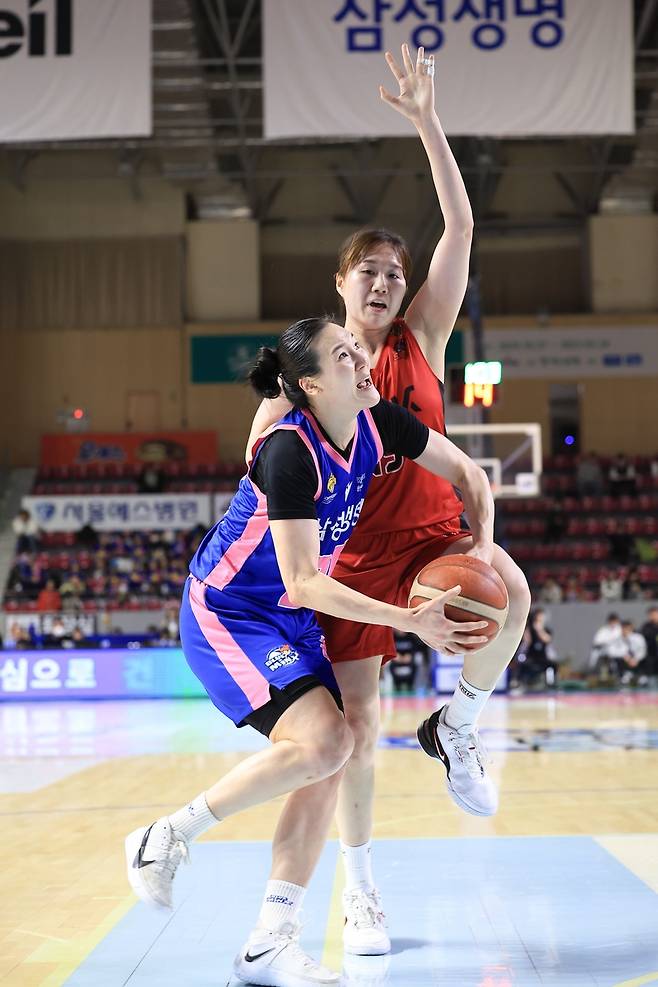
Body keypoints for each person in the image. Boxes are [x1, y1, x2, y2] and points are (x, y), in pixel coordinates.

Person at [246, 44, 531, 956]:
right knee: (359, 730)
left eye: (394, 273)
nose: (382, 282)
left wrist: (428, 123)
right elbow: (260, 456)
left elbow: (462, 224)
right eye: (366, 270)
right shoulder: (307, 370)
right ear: (340, 283)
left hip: (431, 539)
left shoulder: (424, 337)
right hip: (351, 564)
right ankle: (360, 890)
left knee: (514, 592)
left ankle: (458, 725)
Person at [124, 317, 494, 987]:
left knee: (335, 750)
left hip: (287, 619)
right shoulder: (288, 452)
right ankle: (170, 833)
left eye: (357, 350)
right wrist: (409, 620)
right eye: (343, 354)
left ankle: (269, 942)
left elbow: (468, 473)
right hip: (231, 612)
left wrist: (483, 550)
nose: (361, 359)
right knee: (326, 743)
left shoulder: (379, 423)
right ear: (313, 384)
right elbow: (303, 581)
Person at [589, 613, 623, 677]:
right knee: (594, 654)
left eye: (615, 621)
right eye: (612, 621)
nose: (613, 623)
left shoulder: (620, 629)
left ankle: (616, 673)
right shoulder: (603, 630)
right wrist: (607, 643)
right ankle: (594, 672)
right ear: (609, 621)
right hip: (604, 650)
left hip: (618, 650)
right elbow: (597, 641)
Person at [616, 620, 647, 685]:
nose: (625, 630)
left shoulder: (638, 637)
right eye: (623, 628)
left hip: (637, 660)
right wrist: (625, 656)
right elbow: (614, 650)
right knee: (618, 659)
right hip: (624, 660)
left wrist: (636, 659)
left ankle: (640, 676)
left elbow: (642, 650)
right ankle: (625, 675)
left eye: (627, 628)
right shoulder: (617, 638)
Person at [639, 606, 658, 684]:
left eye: (654, 614)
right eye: (651, 615)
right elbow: (642, 639)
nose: (653, 616)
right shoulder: (646, 627)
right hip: (651, 654)